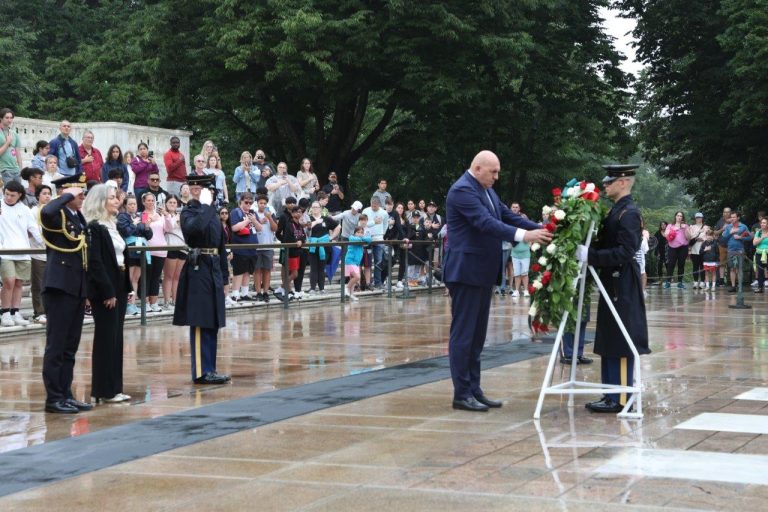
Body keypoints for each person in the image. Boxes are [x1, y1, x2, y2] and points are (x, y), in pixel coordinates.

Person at [443, 150, 551, 412]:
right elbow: (484, 223)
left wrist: (543, 228)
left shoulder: (486, 190)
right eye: (493, 171)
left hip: (481, 272)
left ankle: (474, 389)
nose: (496, 176)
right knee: (464, 334)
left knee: (477, 336)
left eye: (498, 171)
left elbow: (505, 215)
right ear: (477, 168)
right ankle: (461, 393)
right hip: (466, 271)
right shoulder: (462, 190)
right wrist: (526, 236)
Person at [584, 165, 651, 413]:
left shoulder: (629, 213)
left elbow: (625, 251)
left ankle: (623, 398)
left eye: (609, 182)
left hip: (621, 281)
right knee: (610, 336)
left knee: (622, 338)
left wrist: (591, 256)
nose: (605, 185)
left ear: (623, 182)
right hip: (612, 280)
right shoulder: (617, 210)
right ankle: (611, 394)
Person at [40, 174, 92, 414]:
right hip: (59, 287)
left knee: (70, 346)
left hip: (76, 287)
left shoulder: (76, 216)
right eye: (77, 193)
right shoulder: (57, 214)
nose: (82, 196)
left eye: (82, 193)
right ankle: (54, 398)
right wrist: (66, 195)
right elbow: (46, 212)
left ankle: (65, 393)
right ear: (65, 193)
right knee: (57, 345)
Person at [172, 174, 231, 385]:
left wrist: (225, 277)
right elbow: (193, 230)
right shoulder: (190, 211)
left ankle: (210, 368)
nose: (200, 191)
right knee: (200, 320)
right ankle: (200, 371)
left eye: (205, 189)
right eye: (197, 187)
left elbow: (220, 246)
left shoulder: (211, 213)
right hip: (198, 267)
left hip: (213, 265)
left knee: (212, 320)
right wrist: (206, 207)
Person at [83, 184, 131, 404]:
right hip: (106, 287)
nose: (116, 201)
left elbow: (121, 257)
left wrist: (127, 287)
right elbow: (96, 264)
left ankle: (115, 387)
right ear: (101, 201)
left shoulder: (112, 224)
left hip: (118, 283)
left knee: (116, 337)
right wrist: (108, 291)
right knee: (106, 337)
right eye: (112, 198)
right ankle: (104, 389)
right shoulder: (95, 227)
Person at [0, 180, 43, 327]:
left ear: (19, 195)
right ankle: (5, 313)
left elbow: (34, 229)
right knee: (9, 281)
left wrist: (43, 245)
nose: (8, 197)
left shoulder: (24, 209)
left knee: (19, 283)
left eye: (12, 195)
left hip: (24, 251)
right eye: (6, 194)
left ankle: (15, 312)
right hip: (5, 251)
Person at [117, 195, 153, 316]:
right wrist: (134, 224)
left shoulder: (140, 216)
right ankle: (127, 304)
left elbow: (148, 235)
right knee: (130, 277)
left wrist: (147, 227)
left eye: (134, 204)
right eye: (130, 204)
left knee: (136, 278)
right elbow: (125, 231)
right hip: (130, 248)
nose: (133, 206)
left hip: (141, 247)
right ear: (125, 205)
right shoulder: (122, 217)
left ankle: (132, 303)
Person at [141, 192, 171, 312]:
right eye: (148, 200)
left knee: (156, 277)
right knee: (147, 277)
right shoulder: (142, 214)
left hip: (161, 250)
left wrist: (166, 215)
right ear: (143, 202)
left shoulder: (160, 215)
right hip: (148, 250)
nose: (150, 202)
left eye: (152, 200)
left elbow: (168, 228)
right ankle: (146, 302)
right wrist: (150, 219)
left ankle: (154, 302)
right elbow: (143, 228)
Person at [229, 193, 262, 302]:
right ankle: (235, 294)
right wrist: (247, 220)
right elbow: (234, 228)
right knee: (239, 272)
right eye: (246, 202)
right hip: (240, 247)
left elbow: (259, 228)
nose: (248, 204)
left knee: (248, 271)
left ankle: (244, 293)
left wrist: (254, 220)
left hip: (252, 248)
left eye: (250, 203)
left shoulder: (253, 213)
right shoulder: (235, 212)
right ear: (241, 202)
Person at [29, 185, 53, 324]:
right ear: (38, 195)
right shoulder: (33, 212)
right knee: (38, 284)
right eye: (44, 193)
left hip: (51, 252)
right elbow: (33, 231)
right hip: (37, 252)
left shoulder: (53, 212)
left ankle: (50, 310)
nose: (47, 196)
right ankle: (39, 312)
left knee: (50, 284)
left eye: (49, 193)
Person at [307, 201, 339, 294]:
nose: (315, 209)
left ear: (320, 208)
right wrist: (316, 222)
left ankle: (322, 288)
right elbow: (308, 228)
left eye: (317, 207)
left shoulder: (326, 219)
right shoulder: (309, 219)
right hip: (312, 246)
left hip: (324, 247)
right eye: (313, 207)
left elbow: (337, 227)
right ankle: (312, 288)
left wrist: (331, 237)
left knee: (321, 268)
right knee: (313, 268)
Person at [161, 195, 186, 308]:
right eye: (170, 202)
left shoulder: (181, 216)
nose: (172, 204)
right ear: (166, 203)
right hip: (170, 245)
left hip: (182, 246)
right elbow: (168, 228)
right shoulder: (162, 216)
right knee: (169, 275)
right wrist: (169, 217)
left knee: (177, 276)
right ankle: (167, 301)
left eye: (174, 202)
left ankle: (175, 300)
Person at [253, 194, 278, 302]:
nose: (262, 205)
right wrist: (259, 222)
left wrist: (269, 218)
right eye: (261, 203)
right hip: (256, 246)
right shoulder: (253, 214)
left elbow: (275, 228)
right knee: (257, 270)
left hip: (268, 246)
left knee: (267, 270)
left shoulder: (270, 214)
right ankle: (258, 292)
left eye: (264, 203)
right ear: (257, 203)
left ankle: (266, 292)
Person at [723, 211, 752, 292]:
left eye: (734, 217)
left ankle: (740, 286)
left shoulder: (743, 226)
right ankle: (733, 286)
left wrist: (740, 238)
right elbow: (724, 237)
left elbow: (750, 237)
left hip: (740, 250)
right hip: (730, 250)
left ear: (738, 218)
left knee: (740, 268)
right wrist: (730, 232)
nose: (732, 218)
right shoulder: (728, 227)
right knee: (732, 268)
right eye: (731, 217)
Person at [663, 211, 689, 289]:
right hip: (672, 248)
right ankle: (668, 282)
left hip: (683, 247)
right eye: (678, 215)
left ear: (682, 218)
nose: (679, 217)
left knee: (681, 264)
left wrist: (686, 229)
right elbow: (665, 234)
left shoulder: (686, 226)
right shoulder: (670, 225)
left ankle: (680, 282)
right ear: (675, 217)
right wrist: (676, 228)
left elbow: (689, 237)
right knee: (671, 264)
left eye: (681, 216)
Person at [345, 226, 371, 301]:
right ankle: (346, 288)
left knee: (353, 278)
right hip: (350, 260)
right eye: (358, 232)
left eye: (361, 233)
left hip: (356, 262)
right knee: (357, 277)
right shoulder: (351, 237)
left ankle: (351, 294)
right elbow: (354, 239)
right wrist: (362, 238)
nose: (360, 234)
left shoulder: (362, 238)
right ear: (354, 233)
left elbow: (369, 239)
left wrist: (362, 237)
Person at [0, 108, 24, 184]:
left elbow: (18, 153)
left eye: (11, 118)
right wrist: (7, 143)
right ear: (1, 118)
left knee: (19, 194)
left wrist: (20, 169)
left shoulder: (14, 133)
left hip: (16, 170)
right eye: (7, 118)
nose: (9, 120)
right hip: (4, 170)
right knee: (8, 194)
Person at [686, 213, 707, 289]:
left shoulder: (706, 227)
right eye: (697, 218)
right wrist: (696, 237)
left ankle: (702, 282)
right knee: (695, 266)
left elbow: (709, 236)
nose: (698, 219)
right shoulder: (691, 227)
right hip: (694, 249)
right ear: (695, 218)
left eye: (700, 217)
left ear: (702, 218)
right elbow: (689, 237)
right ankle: (695, 282)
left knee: (702, 266)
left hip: (703, 249)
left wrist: (703, 239)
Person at [713, 207, 732, 286]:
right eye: (724, 212)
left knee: (732, 264)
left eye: (728, 212)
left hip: (732, 246)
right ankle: (721, 280)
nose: (726, 214)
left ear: (730, 213)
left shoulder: (734, 220)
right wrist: (722, 229)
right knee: (722, 263)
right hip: (722, 245)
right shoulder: (720, 221)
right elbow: (715, 233)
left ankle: (731, 281)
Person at [753, 218, 768, 293]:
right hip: (759, 253)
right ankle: (760, 287)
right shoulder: (758, 232)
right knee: (760, 271)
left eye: (764, 223)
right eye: (762, 223)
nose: (762, 224)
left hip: (767, 253)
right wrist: (761, 238)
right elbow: (754, 243)